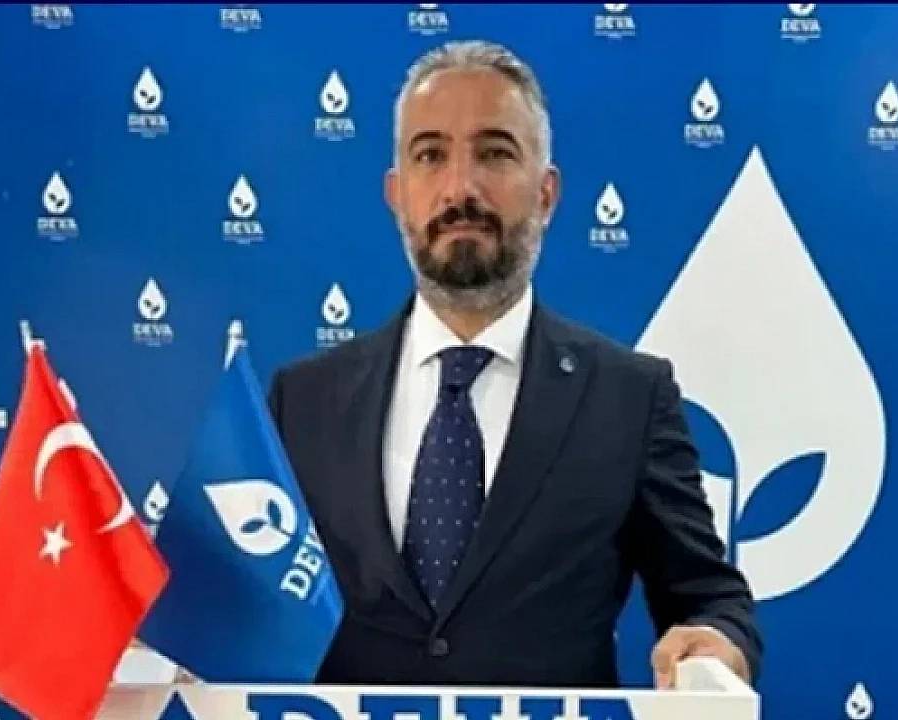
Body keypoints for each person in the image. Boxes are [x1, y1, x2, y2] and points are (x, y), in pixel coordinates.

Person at [266, 39, 761, 689]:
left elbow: (709, 598)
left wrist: (717, 644)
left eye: (495, 153)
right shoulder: (303, 401)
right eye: (430, 155)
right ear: (397, 193)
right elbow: (244, 600)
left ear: (546, 193)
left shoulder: (630, 399)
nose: (460, 188)